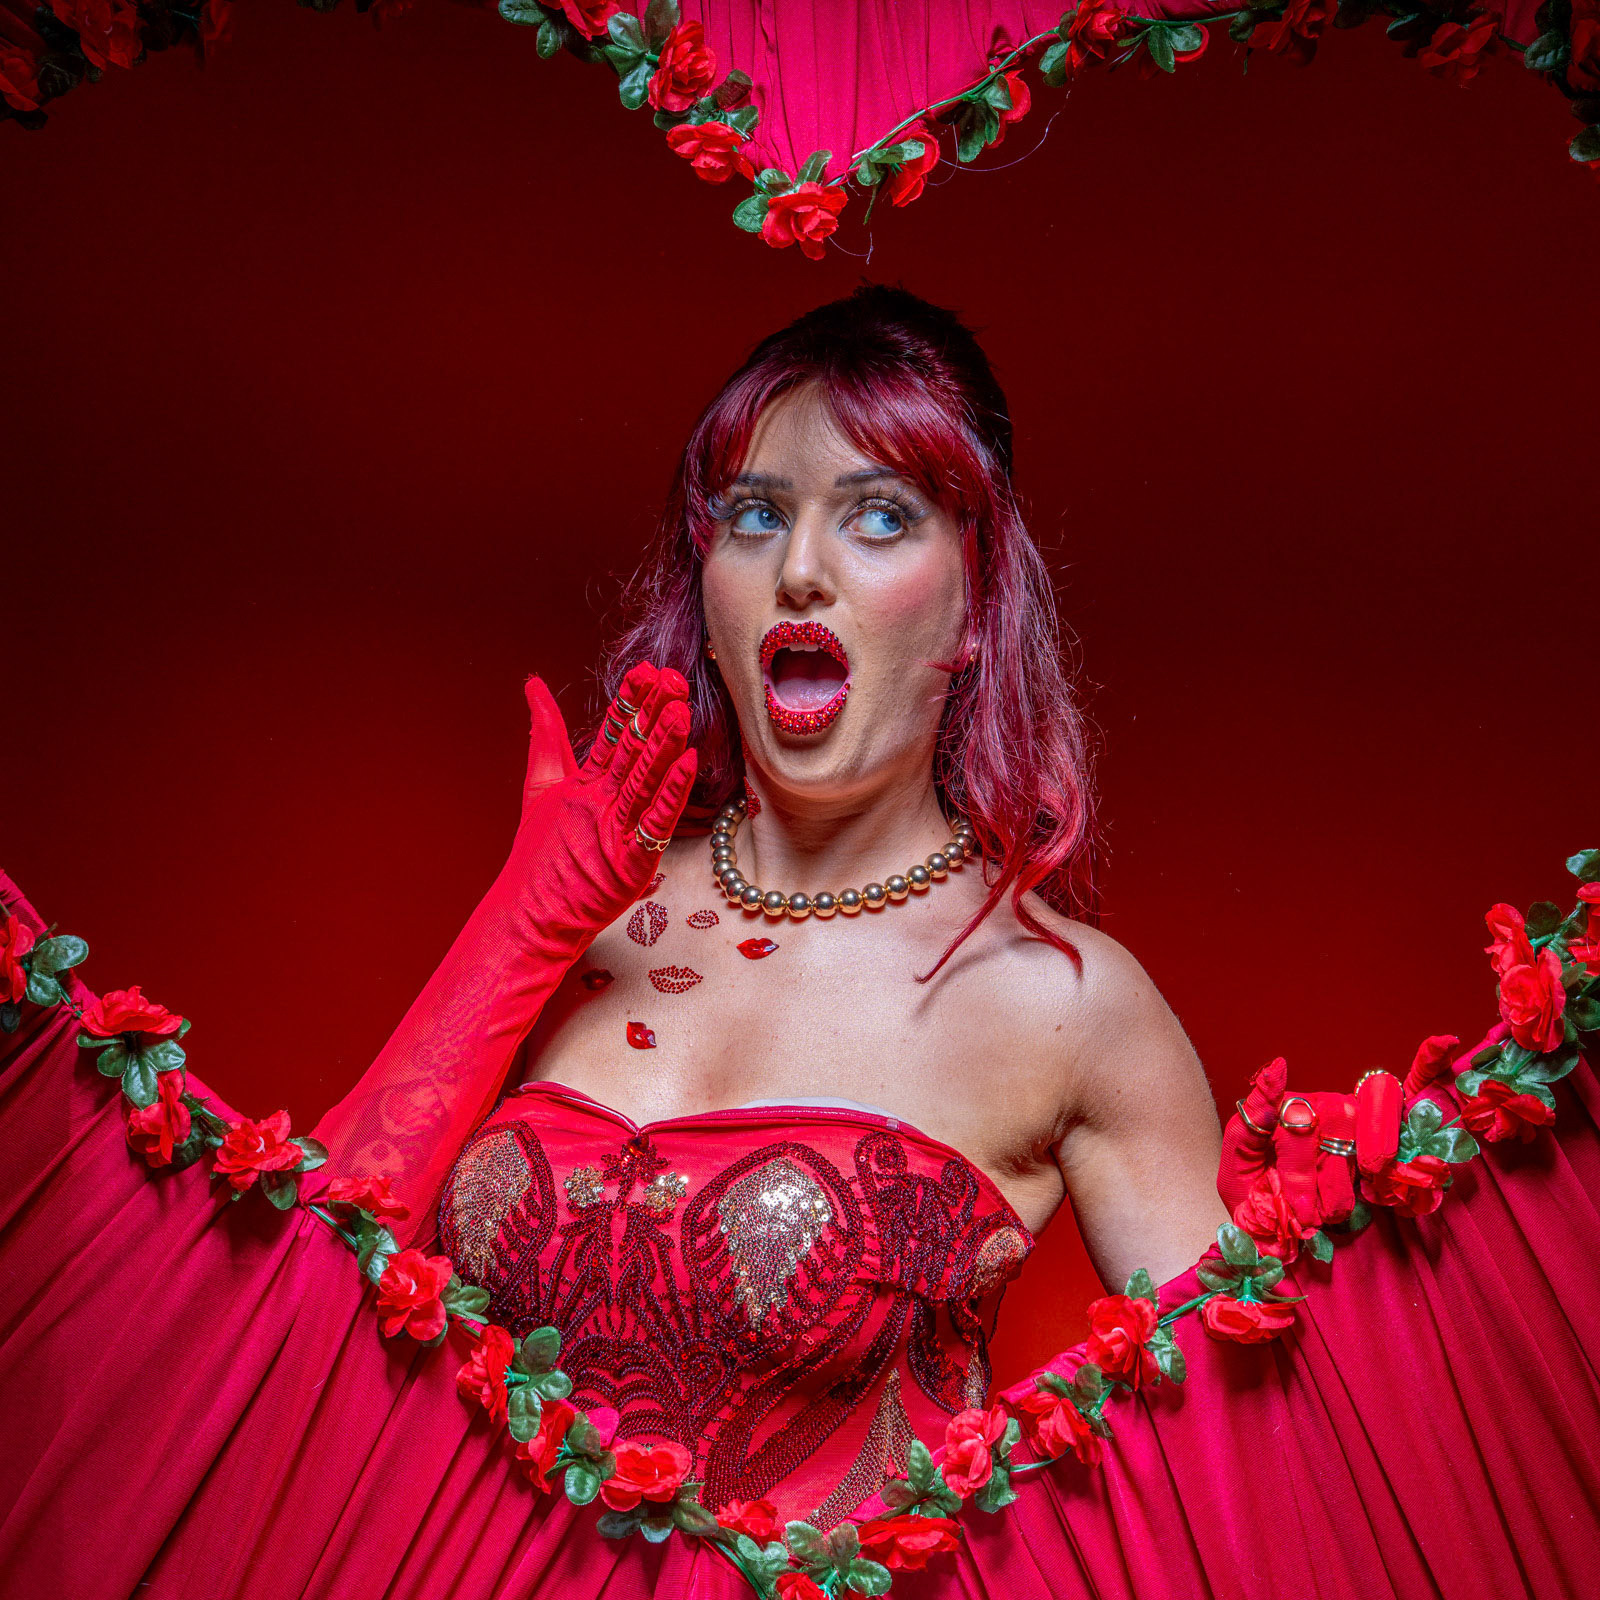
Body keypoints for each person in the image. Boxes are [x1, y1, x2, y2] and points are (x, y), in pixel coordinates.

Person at [2, 286, 1597, 1600]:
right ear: (707, 584)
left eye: (879, 516)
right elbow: (285, 1318)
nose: (802, 570)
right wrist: (517, 929)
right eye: (754, 516)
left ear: (974, 606)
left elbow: (1243, 1494)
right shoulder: (584, 913)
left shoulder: (1061, 1001)